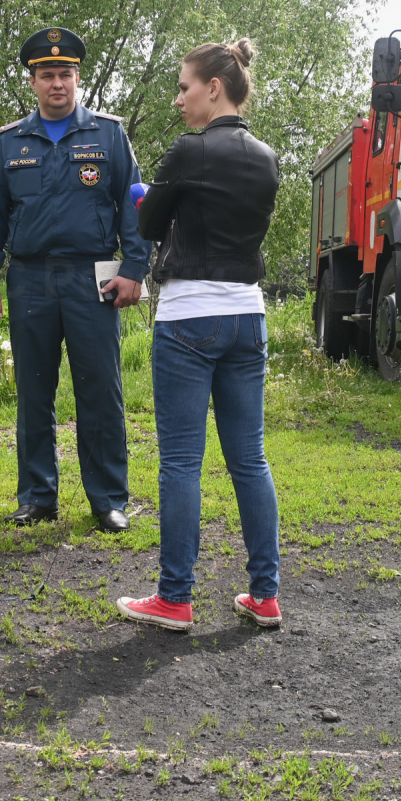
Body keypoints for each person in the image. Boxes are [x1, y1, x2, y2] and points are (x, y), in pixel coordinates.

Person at [115, 40, 282, 632]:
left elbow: (148, 224)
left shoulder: (188, 151)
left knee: (182, 462)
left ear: (215, 86)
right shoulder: (267, 157)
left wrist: (143, 198)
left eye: (185, 86)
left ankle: (175, 598)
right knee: (250, 459)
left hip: (189, 317)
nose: (179, 98)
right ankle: (265, 594)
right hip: (248, 316)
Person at [0, 28, 150, 532]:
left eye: (65, 74)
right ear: (32, 82)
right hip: (28, 279)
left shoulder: (109, 135)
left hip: (94, 276)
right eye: (46, 75)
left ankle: (108, 499)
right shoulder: (9, 143)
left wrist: (134, 269)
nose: (57, 84)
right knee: (33, 391)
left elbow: (136, 207)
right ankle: (37, 497)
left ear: (77, 78)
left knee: (101, 390)